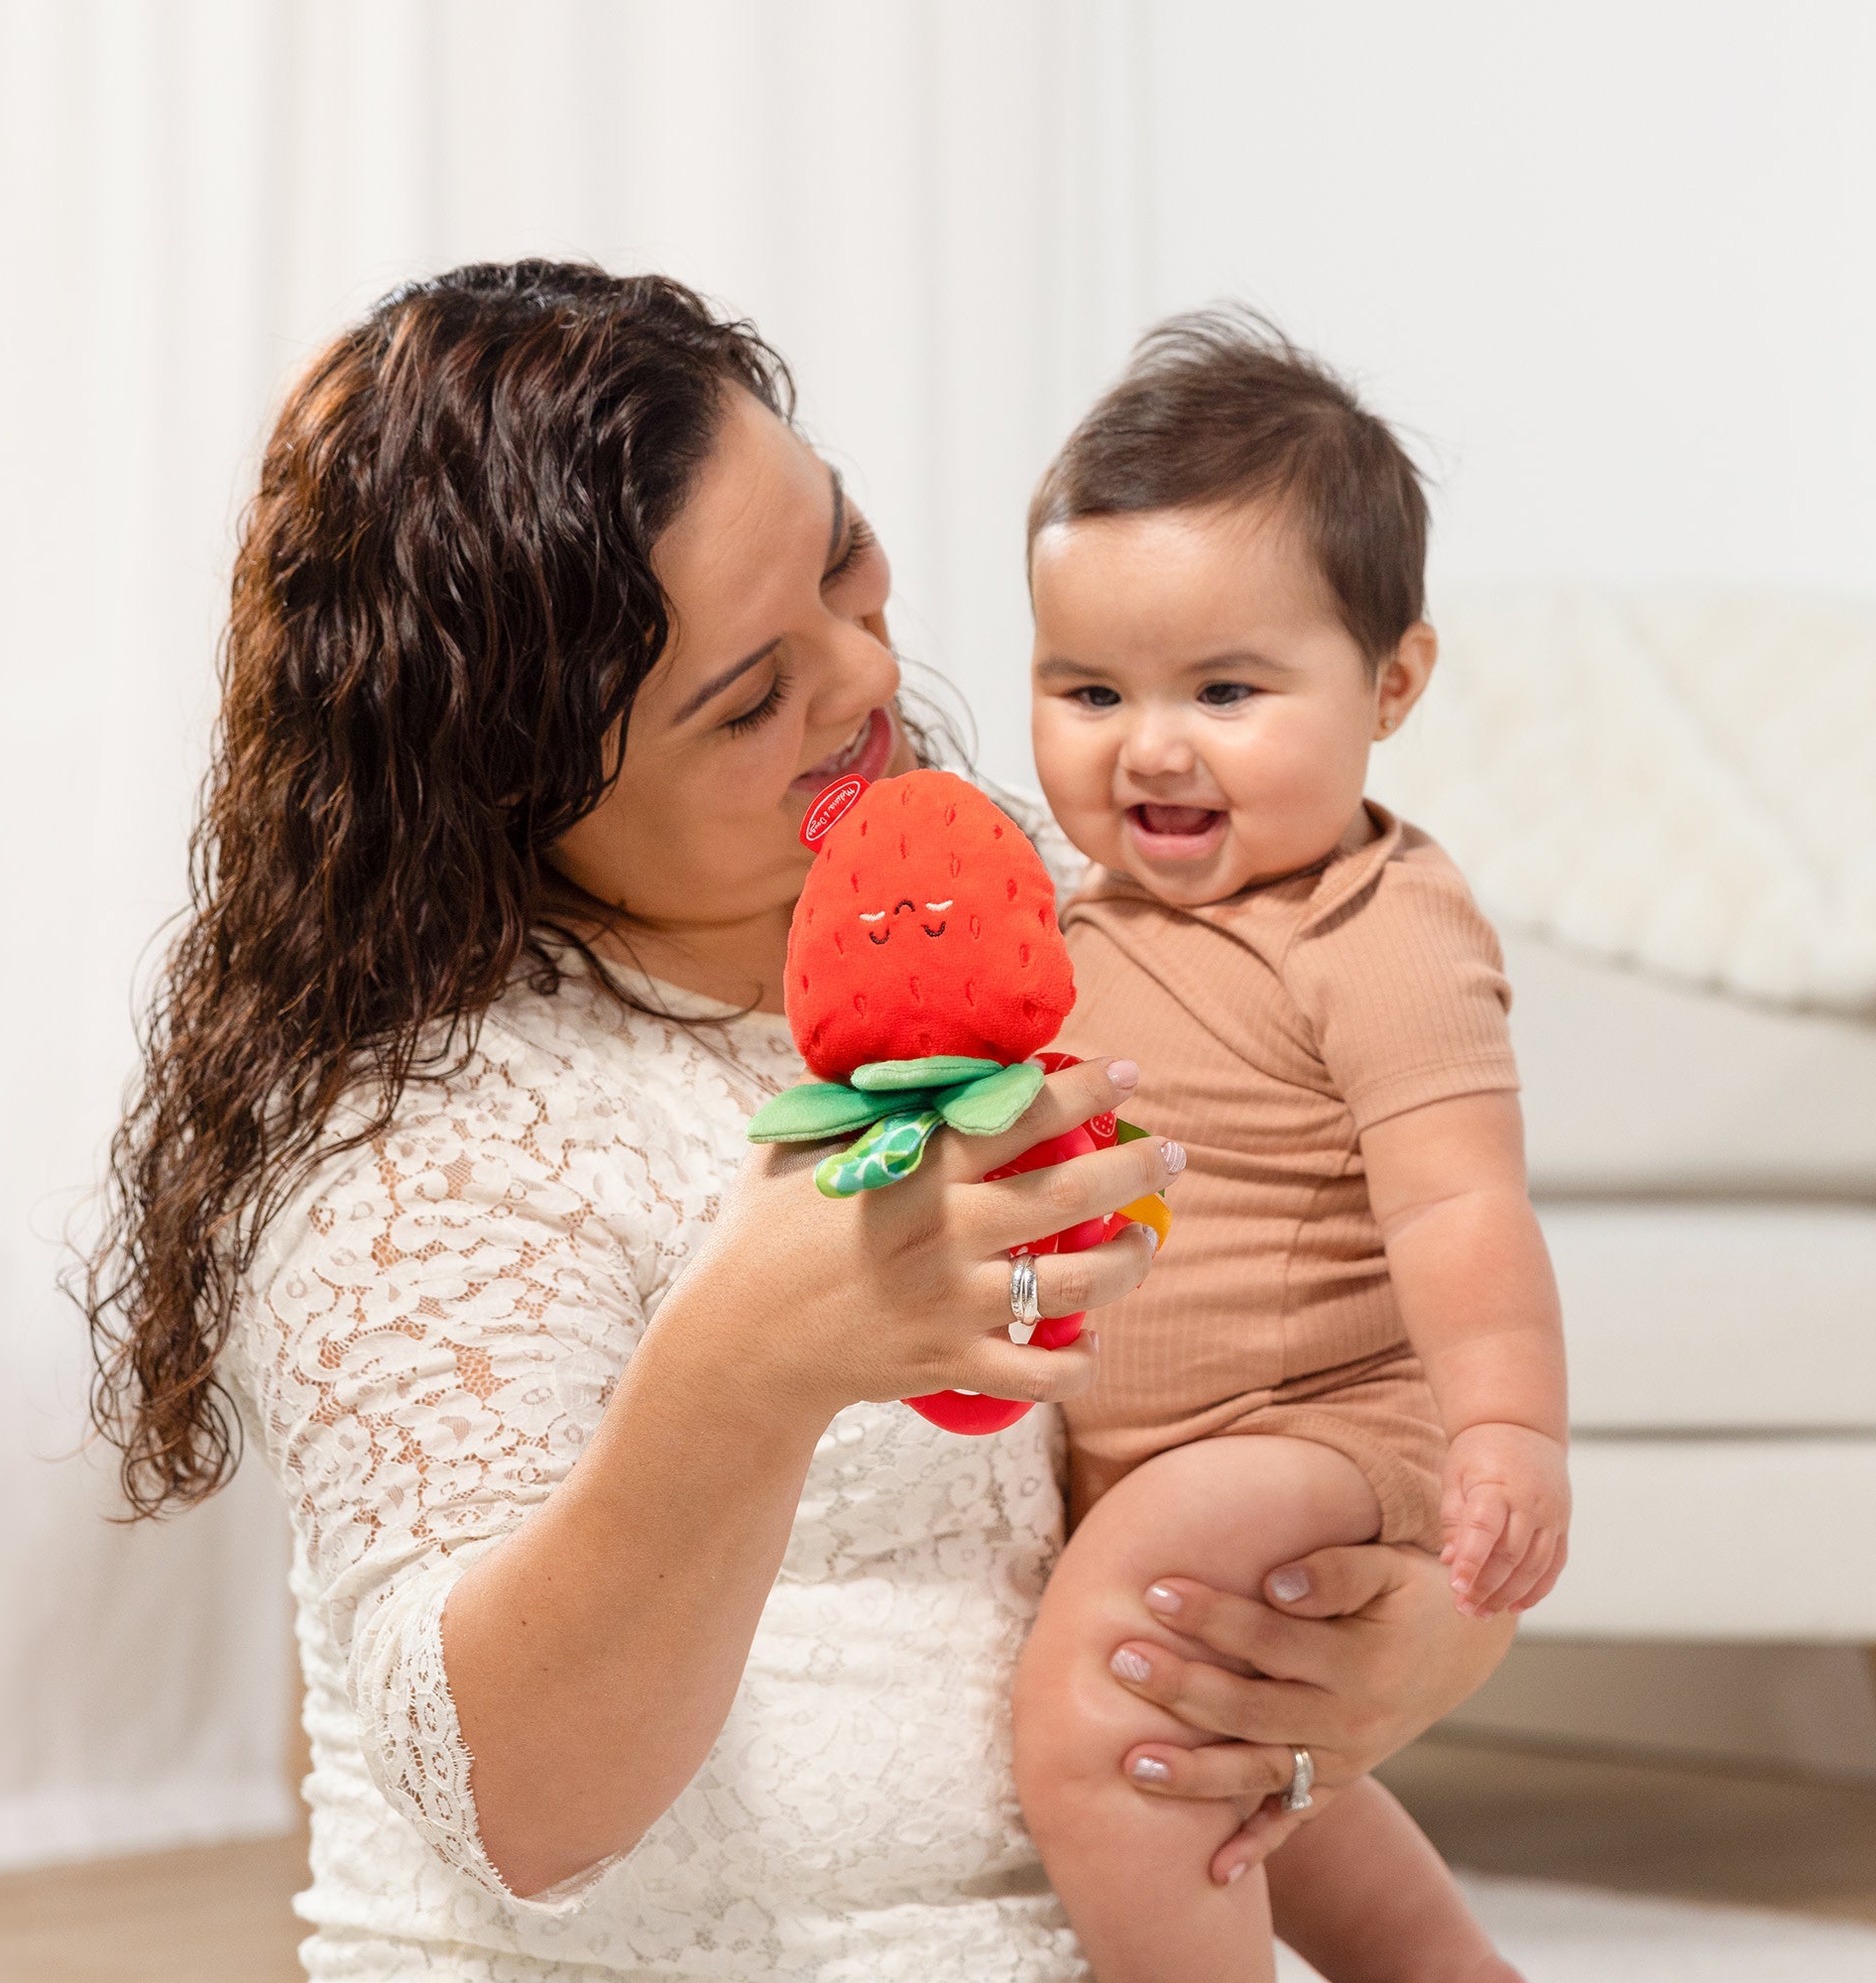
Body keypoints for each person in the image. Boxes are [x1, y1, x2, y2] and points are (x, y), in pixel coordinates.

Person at [80, 262, 1513, 1982]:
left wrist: (1415, 1629)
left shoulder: (1017, 928)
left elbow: (1341, 1312)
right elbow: (519, 1809)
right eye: (747, 700)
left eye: (844, 558)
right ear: (517, 790)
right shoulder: (419, 1140)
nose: (864, 679)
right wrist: (747, 1367)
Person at [1011, 313, 1569, 1981]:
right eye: (1089, 690)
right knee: (1256, 1760)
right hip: (1137, 1447)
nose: (1152, 744)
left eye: (1228, 691)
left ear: (1391, 685)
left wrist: (1512, 1432)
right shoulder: (1073, 912)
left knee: (1110, 1710)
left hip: (1310, 1428)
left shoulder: (1374, 925)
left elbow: (1464, 1203)